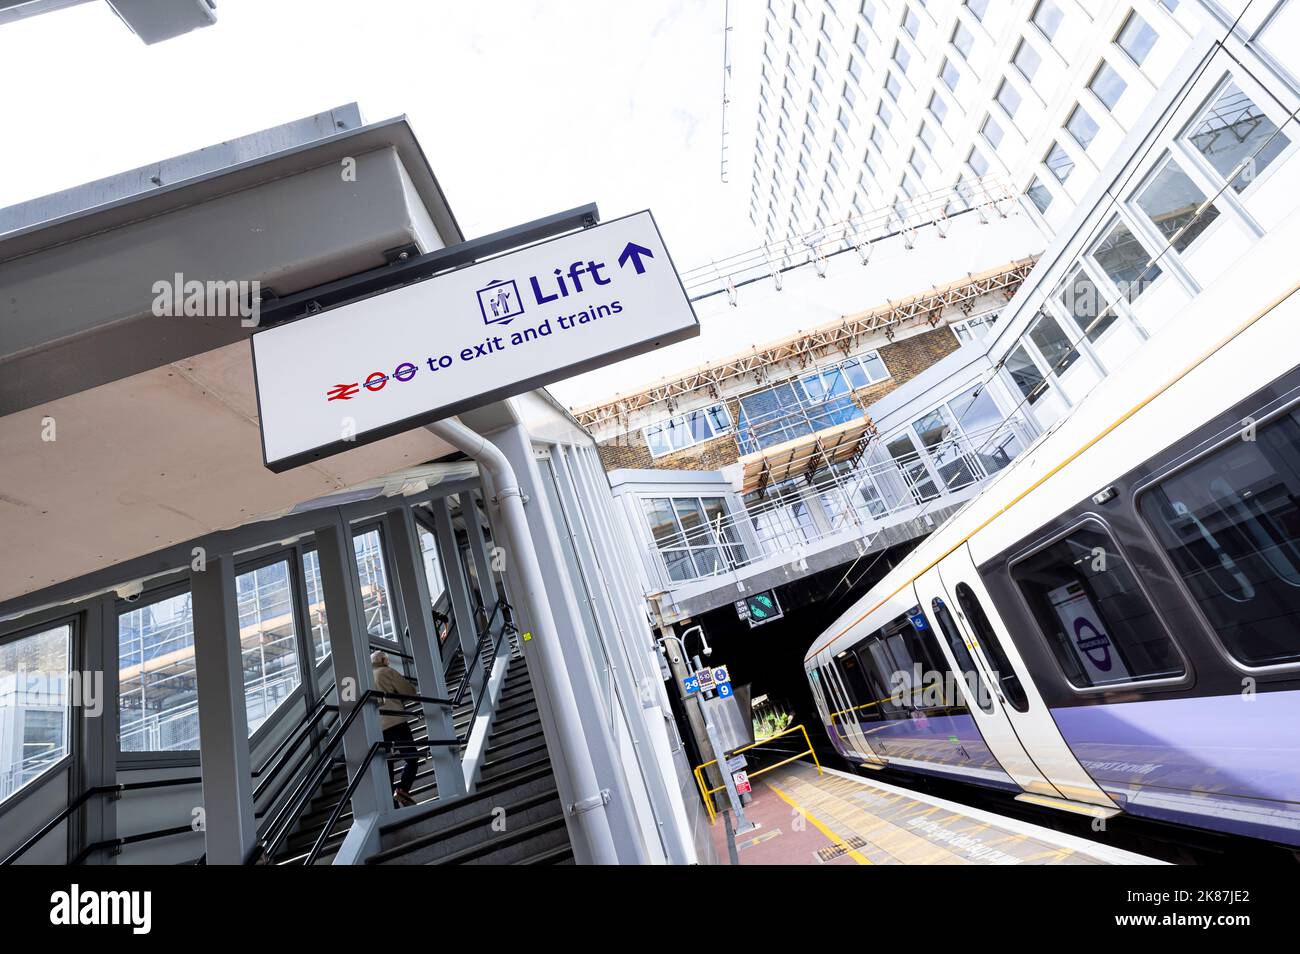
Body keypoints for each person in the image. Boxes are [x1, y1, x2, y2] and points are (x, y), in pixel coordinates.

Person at [371, 650, 420, 808]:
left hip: (378, 727)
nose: (389, 662)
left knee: (388, 766)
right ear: (384, 660)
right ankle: (402, 790)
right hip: (396, 722)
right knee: (412, 758)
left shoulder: (365, 677)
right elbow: (409, 691)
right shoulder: (387, 672)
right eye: (387, 659)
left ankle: (392, 805)